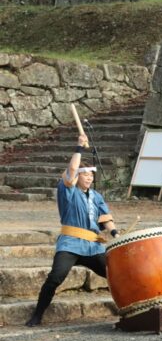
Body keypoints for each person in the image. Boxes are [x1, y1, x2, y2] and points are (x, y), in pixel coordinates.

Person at [26, 133, 119, 327]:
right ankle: (37, 314)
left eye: (91, 174)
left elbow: (105, 219)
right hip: (70, 243)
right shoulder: (67, 190)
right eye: (85, 174)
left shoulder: (96, 196)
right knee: (55, 277)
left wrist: (115, 233)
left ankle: (128, 308)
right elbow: (71, 169)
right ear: (77, 177)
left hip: (93, 246)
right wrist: (78, 148)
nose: (89, 178)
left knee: (116, 274)